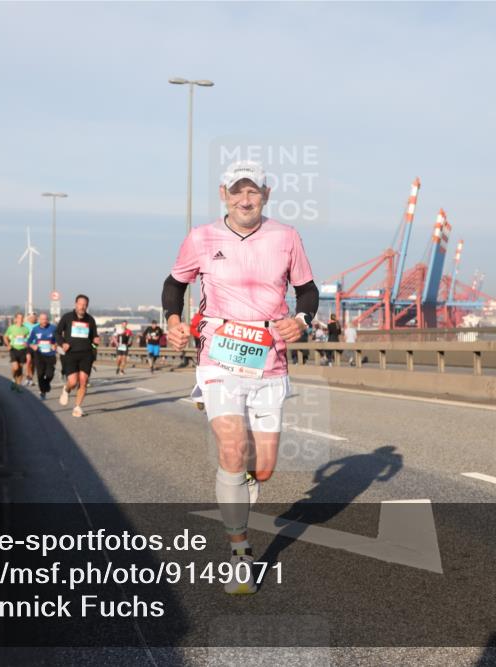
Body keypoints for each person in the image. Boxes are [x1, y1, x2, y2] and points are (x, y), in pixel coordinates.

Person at [162, 159, 318, 594]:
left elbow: (307, 290)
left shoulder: (286, 237)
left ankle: (243, 478)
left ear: (266, 194)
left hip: (269, 362)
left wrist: (302, 319)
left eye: (253, 192)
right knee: (232, 449)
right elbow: (174, 284)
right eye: (237, 191)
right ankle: (239, 553)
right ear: (223, 194)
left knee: (262, 469)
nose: (245, 199)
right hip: (219, 357)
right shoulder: (201, 237)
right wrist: (174, 320)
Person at [56, 295, 99, 417]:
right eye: (80, 304)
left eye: (85, 305)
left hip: (86, 354)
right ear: (75, 304)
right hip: (70, 354)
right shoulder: (67, 317)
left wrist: (95, 344)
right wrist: (62, 343)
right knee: (73, 382)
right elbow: (57, 333)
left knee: (83, 381)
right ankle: (66, 389)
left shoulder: (90, 320)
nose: (82, 307)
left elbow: (94, 338)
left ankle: (77, 407)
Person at [27, 312, 58, 400]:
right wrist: (33, 345)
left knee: (50, 374)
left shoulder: (53, 328)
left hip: (50, 354)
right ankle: (43, 391)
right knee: (40, 374)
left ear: (48, 320)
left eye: (45, 319)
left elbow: (58, 339)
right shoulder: (35, 329)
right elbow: (29, 341)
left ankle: (46, 384)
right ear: (39, 320)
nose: (44, 321)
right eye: (42, 319)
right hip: (39, 354)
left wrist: (55, 344)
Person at [3, 312, 31, 392]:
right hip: (14, 349)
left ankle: (18, 386)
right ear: (16, 319)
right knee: (16, 367)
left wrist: (27, 343)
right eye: (19, 318)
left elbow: (29, 338)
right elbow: (5, 336)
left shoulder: (26, 329)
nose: (20, 320)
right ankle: (13, 379)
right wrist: (7, 344)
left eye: (22, 318)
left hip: (23, 350)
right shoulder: (11, 328)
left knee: (20, 368)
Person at [24, 312, 39, 386]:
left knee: (33, 364)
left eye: (34, 317)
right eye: (31, 317)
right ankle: (27, 377)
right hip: (28, 345)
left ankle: (31, 378)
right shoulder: (25, 325)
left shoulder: (38, 325)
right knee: (28, 360)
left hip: (36, 345)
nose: (33, 318)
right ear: (29, 318)